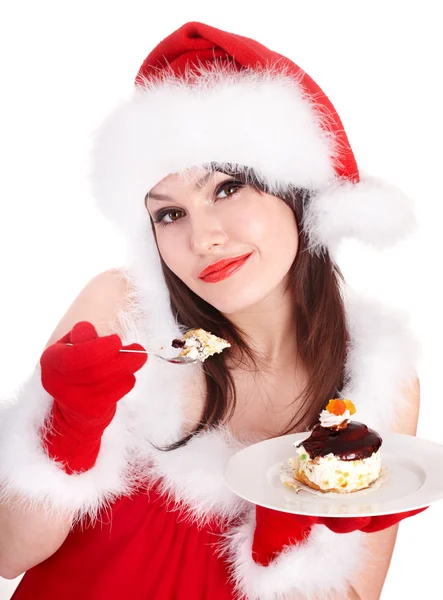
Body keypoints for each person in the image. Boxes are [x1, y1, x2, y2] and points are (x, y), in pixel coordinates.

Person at [0, 21, 426, 600]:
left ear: (296, 191)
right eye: (169, 214)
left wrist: (285, 538)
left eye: (226, 189)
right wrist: (68, 430)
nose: (203, 239)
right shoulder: (119, 312)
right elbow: (9, 553)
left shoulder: (376, 383)